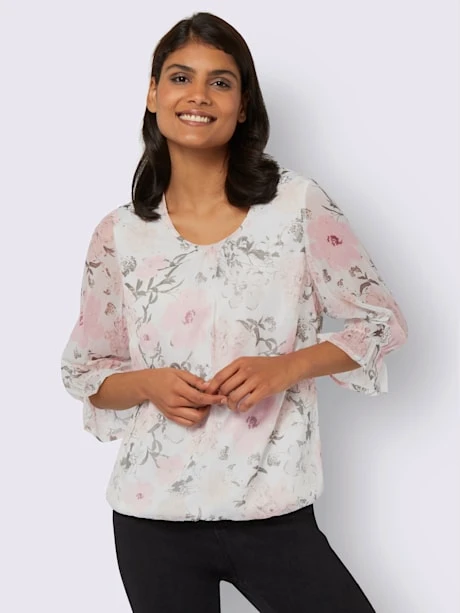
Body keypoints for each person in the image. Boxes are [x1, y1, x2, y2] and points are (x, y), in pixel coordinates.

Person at [61, 11, 408, 613]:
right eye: (180, 78)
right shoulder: (118, 234)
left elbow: (381, 322)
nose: (198, 95)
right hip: (150, 518)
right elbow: (87, 372)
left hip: (273, 509)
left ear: (243, 105)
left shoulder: (297, 205)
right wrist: (148, 384)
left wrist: (286, 367)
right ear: (153, 93)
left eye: (220, 82)